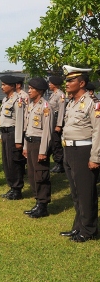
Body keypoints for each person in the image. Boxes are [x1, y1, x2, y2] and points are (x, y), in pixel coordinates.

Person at [59, 65, 99, 242]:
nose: (67, 83)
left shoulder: (92, 103)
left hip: (84, 150)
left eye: (71, 80)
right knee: (76, 193)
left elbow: (98, 131)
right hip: (69, 150)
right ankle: (79, 226)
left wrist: (95, 157)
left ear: (81, 83)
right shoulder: (72, 103)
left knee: (86, 192)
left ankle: (89, 230)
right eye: (66, 80)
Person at [22, 77, 53, 218]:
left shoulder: (45, 106)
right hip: (30, 142)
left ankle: (43, 204)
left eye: (31, 88)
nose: (28, 91)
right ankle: (37, 201)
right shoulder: (31, 105)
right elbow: (27, 127)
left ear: (39, 90)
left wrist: (43, 151)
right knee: (32, 174)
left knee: (41, 174)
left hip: (39, 143)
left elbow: (47, 131)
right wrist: (24, 146)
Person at [0, 75, 25, 200]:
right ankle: (12, 187)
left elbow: (20, 121)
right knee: (7, 161)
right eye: (2, 84)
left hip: (13, 133)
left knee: (14, 161)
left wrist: (19, 140)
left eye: (4, 84)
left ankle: (17, 189)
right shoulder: (5, 100)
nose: (2, 87)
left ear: (13, 86)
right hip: (5, 133)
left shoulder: (18, 100)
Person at [47, 76, 66, 173]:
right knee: (53, 142)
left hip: (56, 120)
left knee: (56, 143)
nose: (49, 84)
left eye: (50, 83)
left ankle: (60, 164)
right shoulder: (53, 94)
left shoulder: (60, 95)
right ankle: (57, 162)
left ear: (55, 84)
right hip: (52, 120)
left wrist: (59, 125)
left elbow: (61, 110)